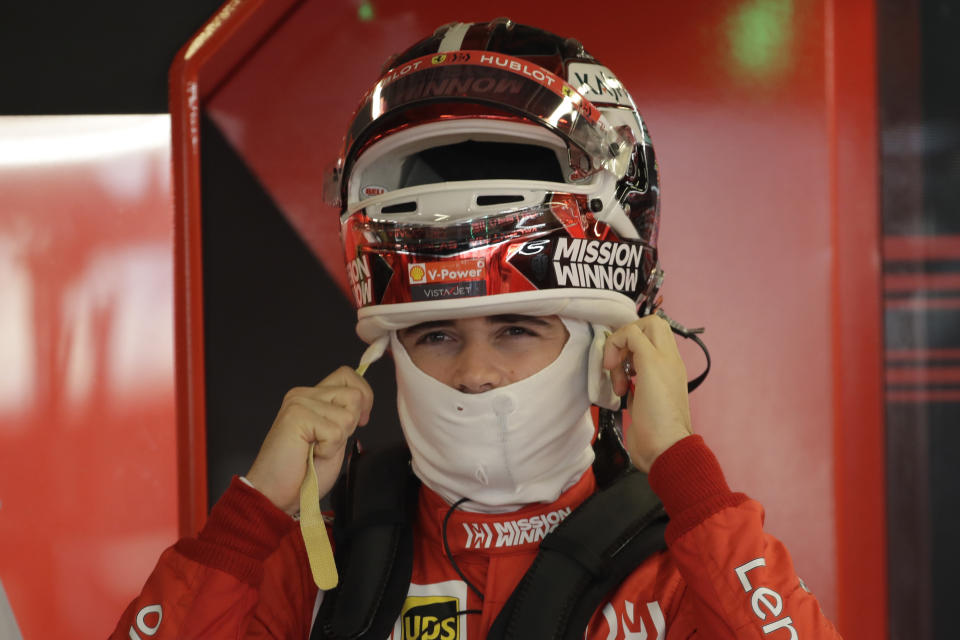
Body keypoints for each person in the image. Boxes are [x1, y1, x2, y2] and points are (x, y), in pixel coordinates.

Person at [114, 19, 842, 639]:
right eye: (436, 335)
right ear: (388, 346)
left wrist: (683, 468)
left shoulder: (680, 574)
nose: (475, 372)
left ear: (609, 351)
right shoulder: (317, 567)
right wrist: (254, 514)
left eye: (516, 329)